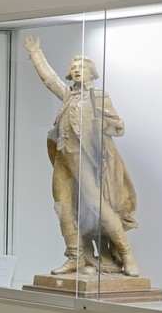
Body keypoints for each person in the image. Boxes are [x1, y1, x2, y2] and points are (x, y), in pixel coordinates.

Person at [22, 37, 138, 276]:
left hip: (85, 158)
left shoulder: (99, 96)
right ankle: (76, 256)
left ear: (91, 72)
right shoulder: (68, 95)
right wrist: (35, 54)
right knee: (62, 206)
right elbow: (50, 79)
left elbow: (118, 127)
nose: (76, 70)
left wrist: (106, 124)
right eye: (74, 67)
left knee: (97, 205)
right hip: (62, 158)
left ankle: (126, 255)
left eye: (82, 67)